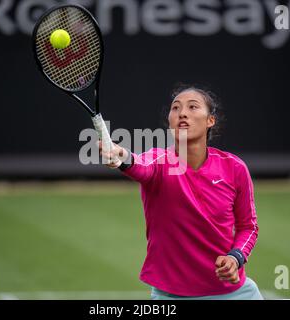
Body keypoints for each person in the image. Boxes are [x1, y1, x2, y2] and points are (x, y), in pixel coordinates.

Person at [98, 84, 263, 300]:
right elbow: (139, 165)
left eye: (193, 107)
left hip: (234, 293)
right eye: (175, 108)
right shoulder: (158, 161)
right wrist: (121, 156)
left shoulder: (235, 168)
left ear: (210, 120)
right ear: (170, 121)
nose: (182, 113)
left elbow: (248, 227)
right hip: (171, 296)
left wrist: (236, 257)